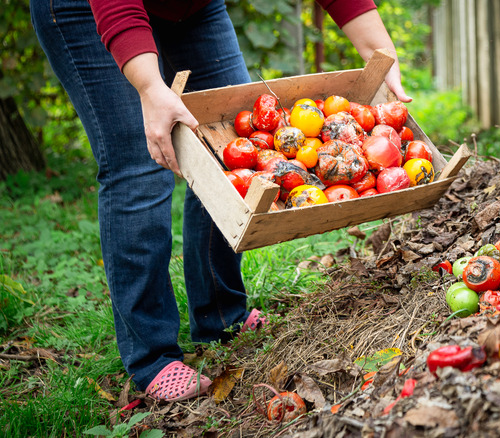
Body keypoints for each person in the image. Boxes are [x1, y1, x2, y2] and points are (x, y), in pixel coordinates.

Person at [31, 0, 411, 402]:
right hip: (91, 9)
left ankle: (220, 316)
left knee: (223, 145)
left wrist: (378, 55)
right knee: (140, 165)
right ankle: (151, 357)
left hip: (189, 6)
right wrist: (149, 88)